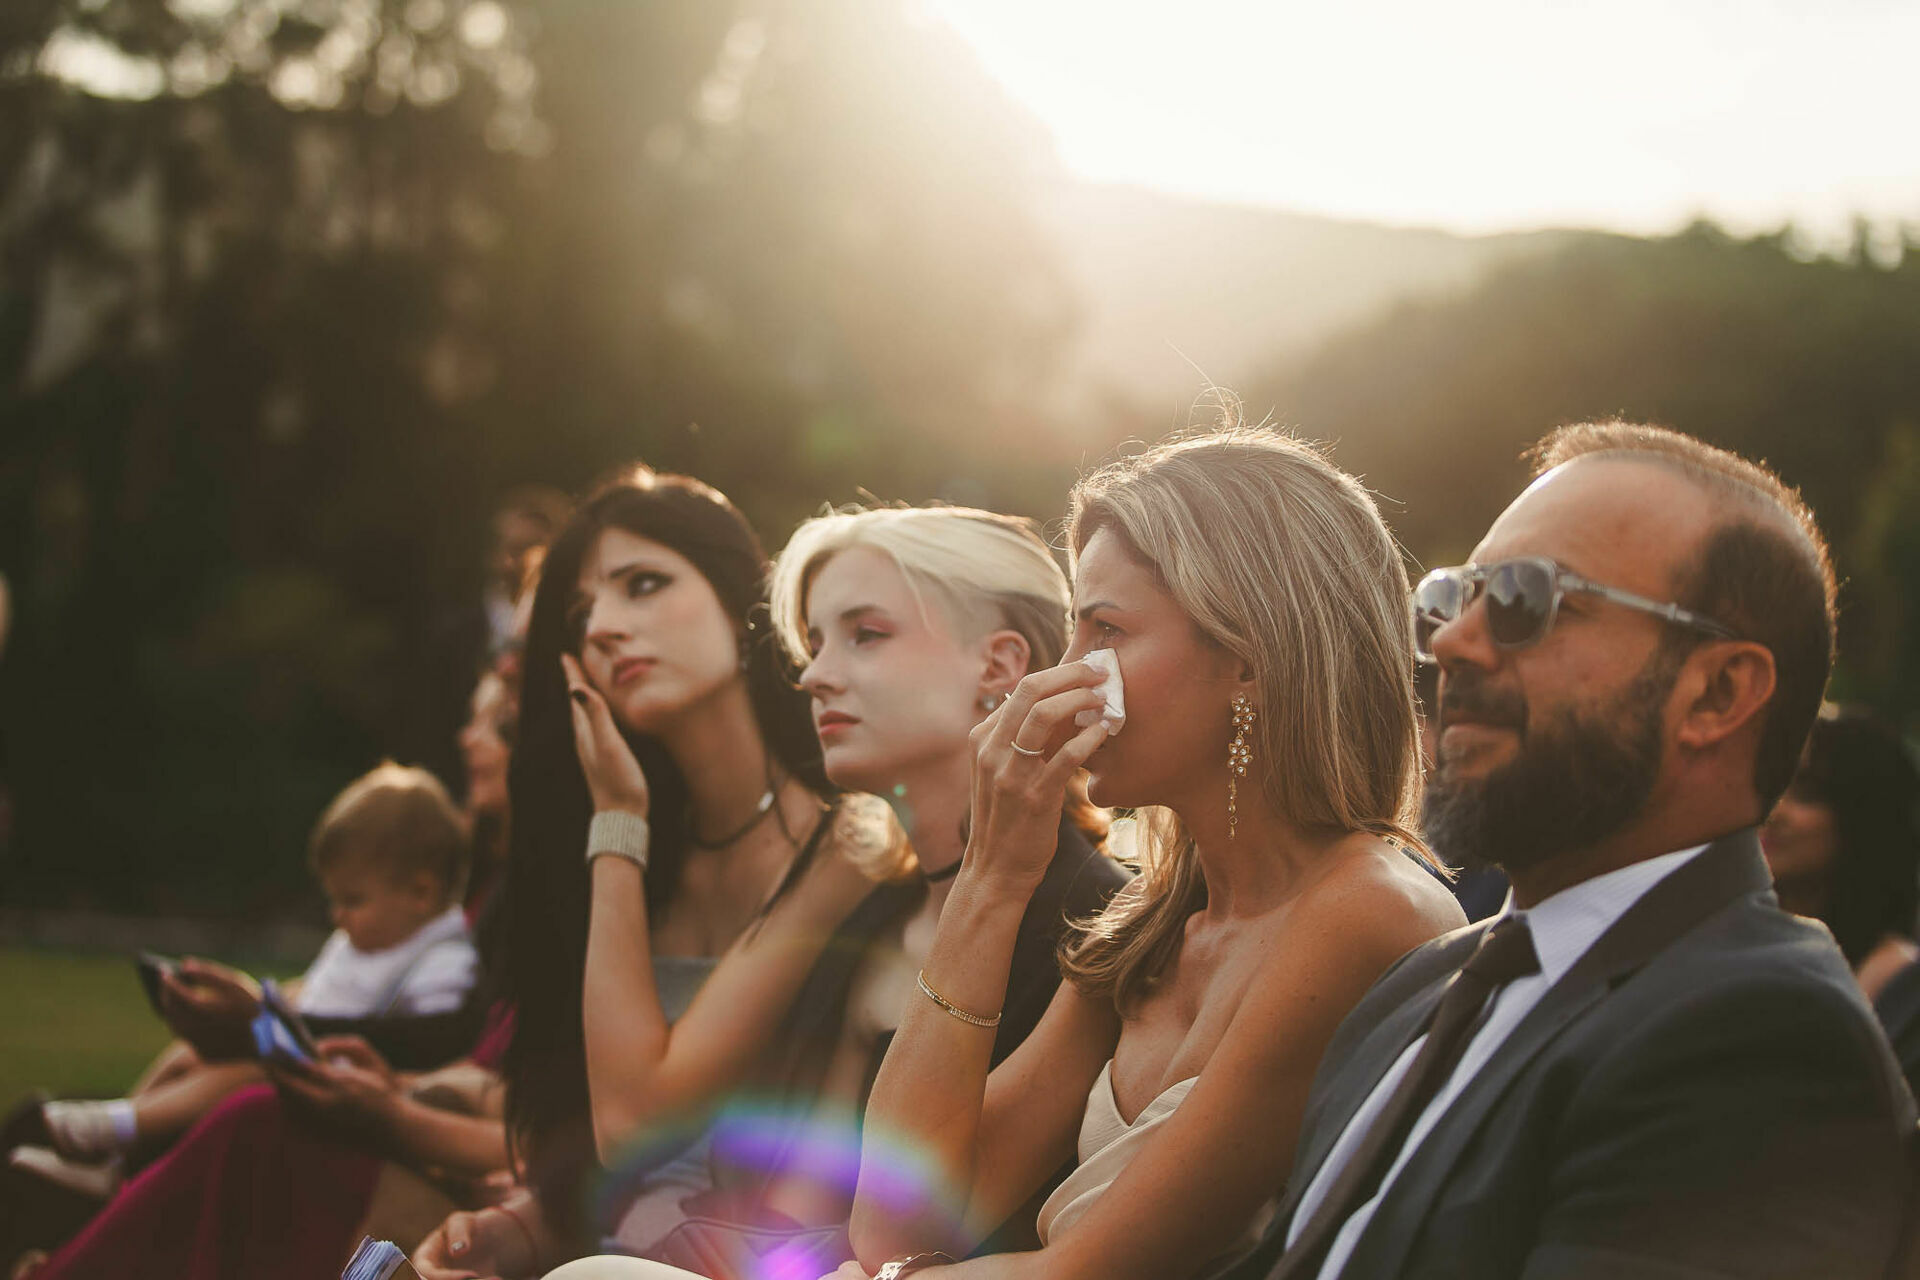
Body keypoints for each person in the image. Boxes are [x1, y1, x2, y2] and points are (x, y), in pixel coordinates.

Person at [1227, 420, 1916, 1280]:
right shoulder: (1420, 986)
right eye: (1450, 599)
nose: (1449, 644)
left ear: (1717, 692)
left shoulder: (1755, 1037)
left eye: (1526, 601)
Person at [787, 426, 1467, 1280]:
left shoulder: (1369, 910)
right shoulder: (1151, 920)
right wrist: (989, 881)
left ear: (1249, 661)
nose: (1060, 677)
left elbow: (1089, 1273)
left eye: (1105, 630)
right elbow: (895, 1220)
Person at [543, 505, 1135, 1278]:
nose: (815, 674)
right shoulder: (862, 899)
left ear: (997, 666)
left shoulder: (1095, 922)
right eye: (815, 643)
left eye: (866, 634)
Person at [411, 466, 913, 1279]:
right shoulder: (643, 854)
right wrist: (522, 1225)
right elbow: (594, 1147)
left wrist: (617, 821)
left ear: (738, 602)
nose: (605, 627)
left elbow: (639, 1124)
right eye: (582, 614)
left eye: (642, 585)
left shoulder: (847, 841)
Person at [6, 764, 479, 1197]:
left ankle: (116, 1127)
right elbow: (315, 988)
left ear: (421, 892)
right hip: (302, 1054)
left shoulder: (441, 960)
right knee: (189, 1055)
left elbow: (425, 1042)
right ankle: (110, 1154)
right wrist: (260, 999)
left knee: (244, 1073)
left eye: (352, 900)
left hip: (346, 1084)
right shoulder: (364, 937)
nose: (338, 916)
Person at [1762, 703, 1920, 1000]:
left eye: (1807, 794)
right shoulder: (1729, 943)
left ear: (1861, 816)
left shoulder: (1898, 979)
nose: (1774, 812)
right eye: (1773, 786)